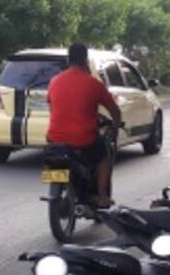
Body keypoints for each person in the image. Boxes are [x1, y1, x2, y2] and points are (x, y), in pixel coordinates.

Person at [47, 42, 122, 208]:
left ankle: (58, 182)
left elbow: (53, 107)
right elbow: (115, 111)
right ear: (85, 60)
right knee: (104, 155)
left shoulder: (54, 81)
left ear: (68, 59)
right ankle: (102, 196)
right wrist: (116, 126)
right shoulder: (93, 84)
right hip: (83, 140)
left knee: (53, 160)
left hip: (54, 139)